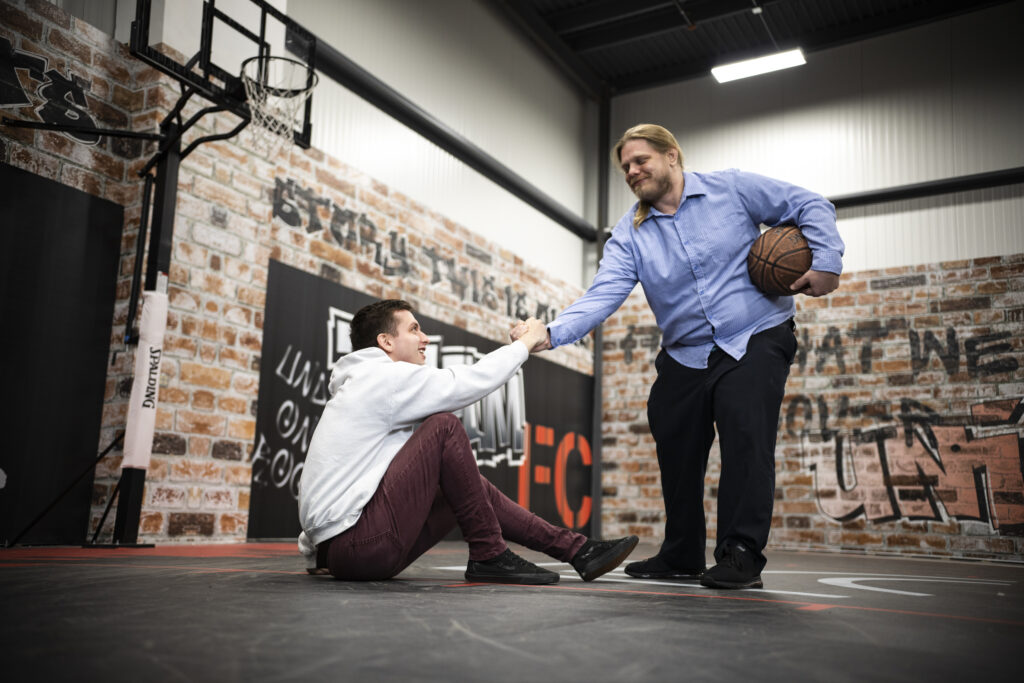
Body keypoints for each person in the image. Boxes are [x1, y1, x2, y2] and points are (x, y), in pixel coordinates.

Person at [514, 124, 844, 589]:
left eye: (641, 160)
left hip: (755, 334)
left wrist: (826, 263)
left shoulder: (732, 188)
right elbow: (603, 294)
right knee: (675, 442)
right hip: (686, 353)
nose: (632, 171)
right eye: (625, 166)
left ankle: (741, 552)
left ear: (672, 156)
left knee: (746, 434)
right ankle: (682, 552)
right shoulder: (630, 235)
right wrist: (549, 333)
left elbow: (810, 204)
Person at [297, 299, 638, 584]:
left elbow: (329, 482)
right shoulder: (379, 377)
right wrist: (524, 344)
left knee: (464, 484)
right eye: (414, 329)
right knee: (444, 427)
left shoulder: (361, 386)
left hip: (352, 552)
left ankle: (577, 550)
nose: (425, 338)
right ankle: (489, 553)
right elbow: (468, 381)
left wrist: (319, 552)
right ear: (386, 342)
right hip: (362, 547)